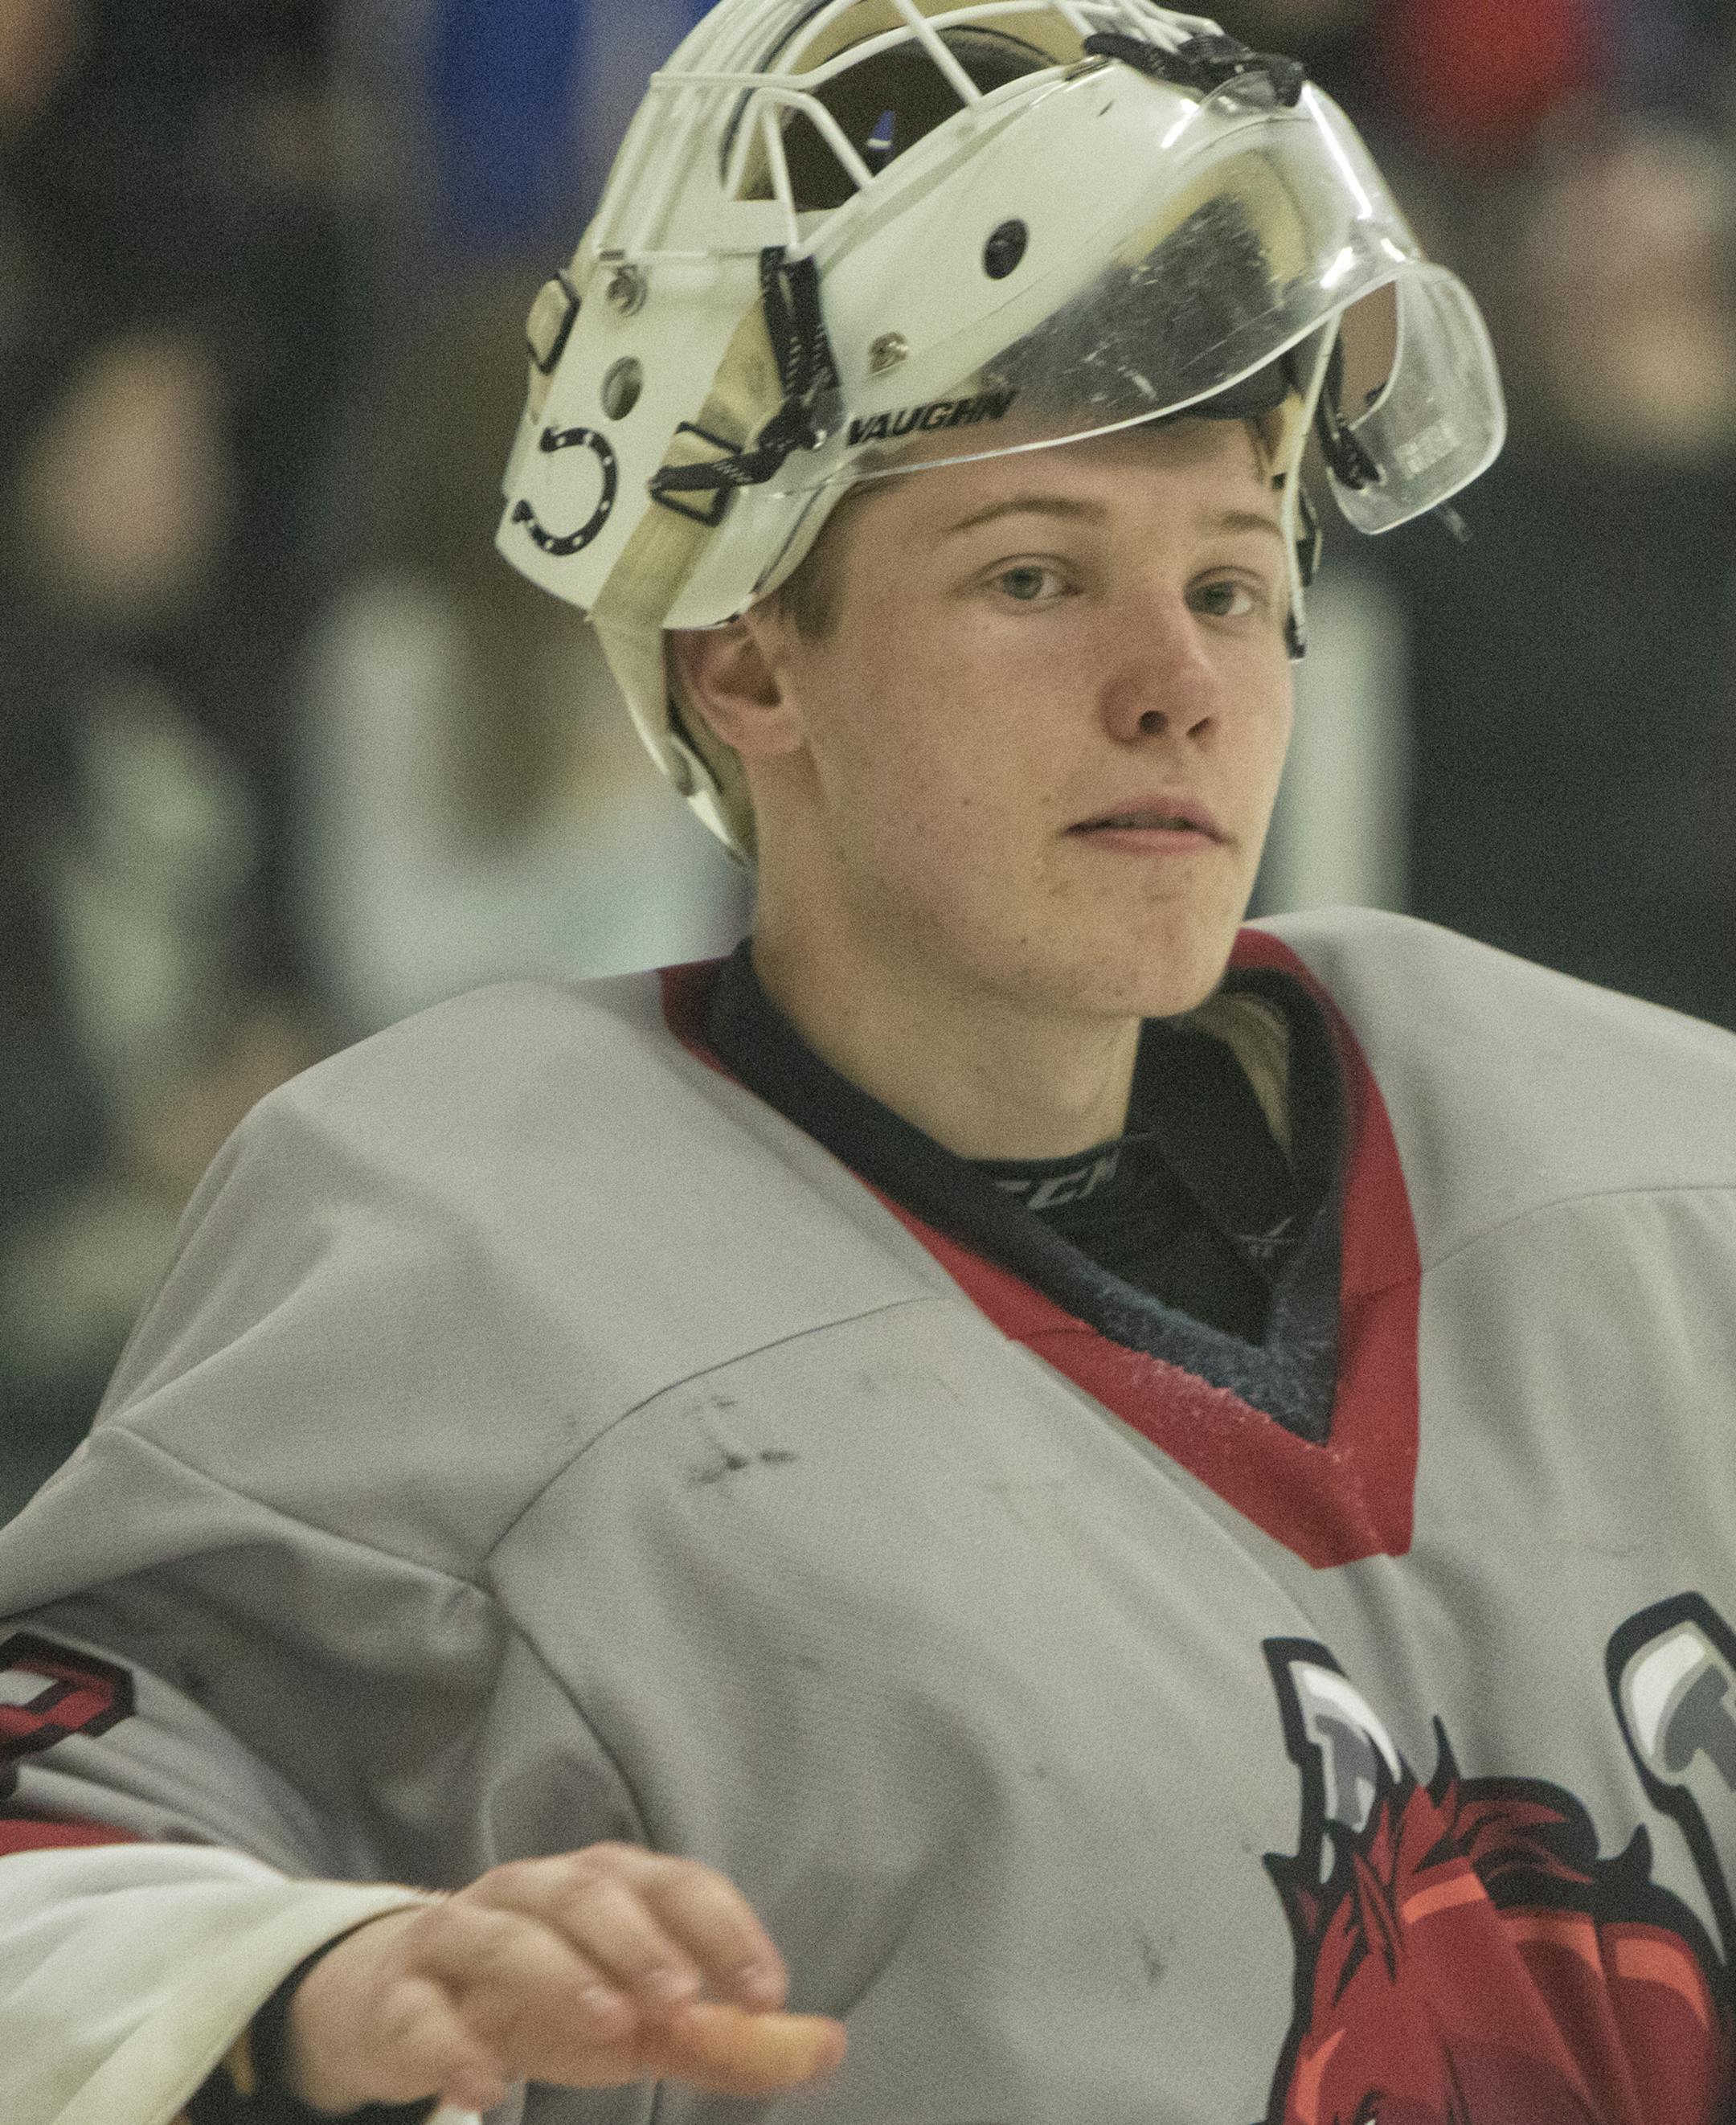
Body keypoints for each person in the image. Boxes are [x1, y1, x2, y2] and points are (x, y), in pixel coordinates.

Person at [1, 6, 1734, 2125]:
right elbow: (54, 1853)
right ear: (746, 658)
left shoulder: (1658, 1182)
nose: (1178, 685)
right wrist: (301, 1978)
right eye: (1036, 576)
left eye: (1234, 579)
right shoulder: (463, 1269)